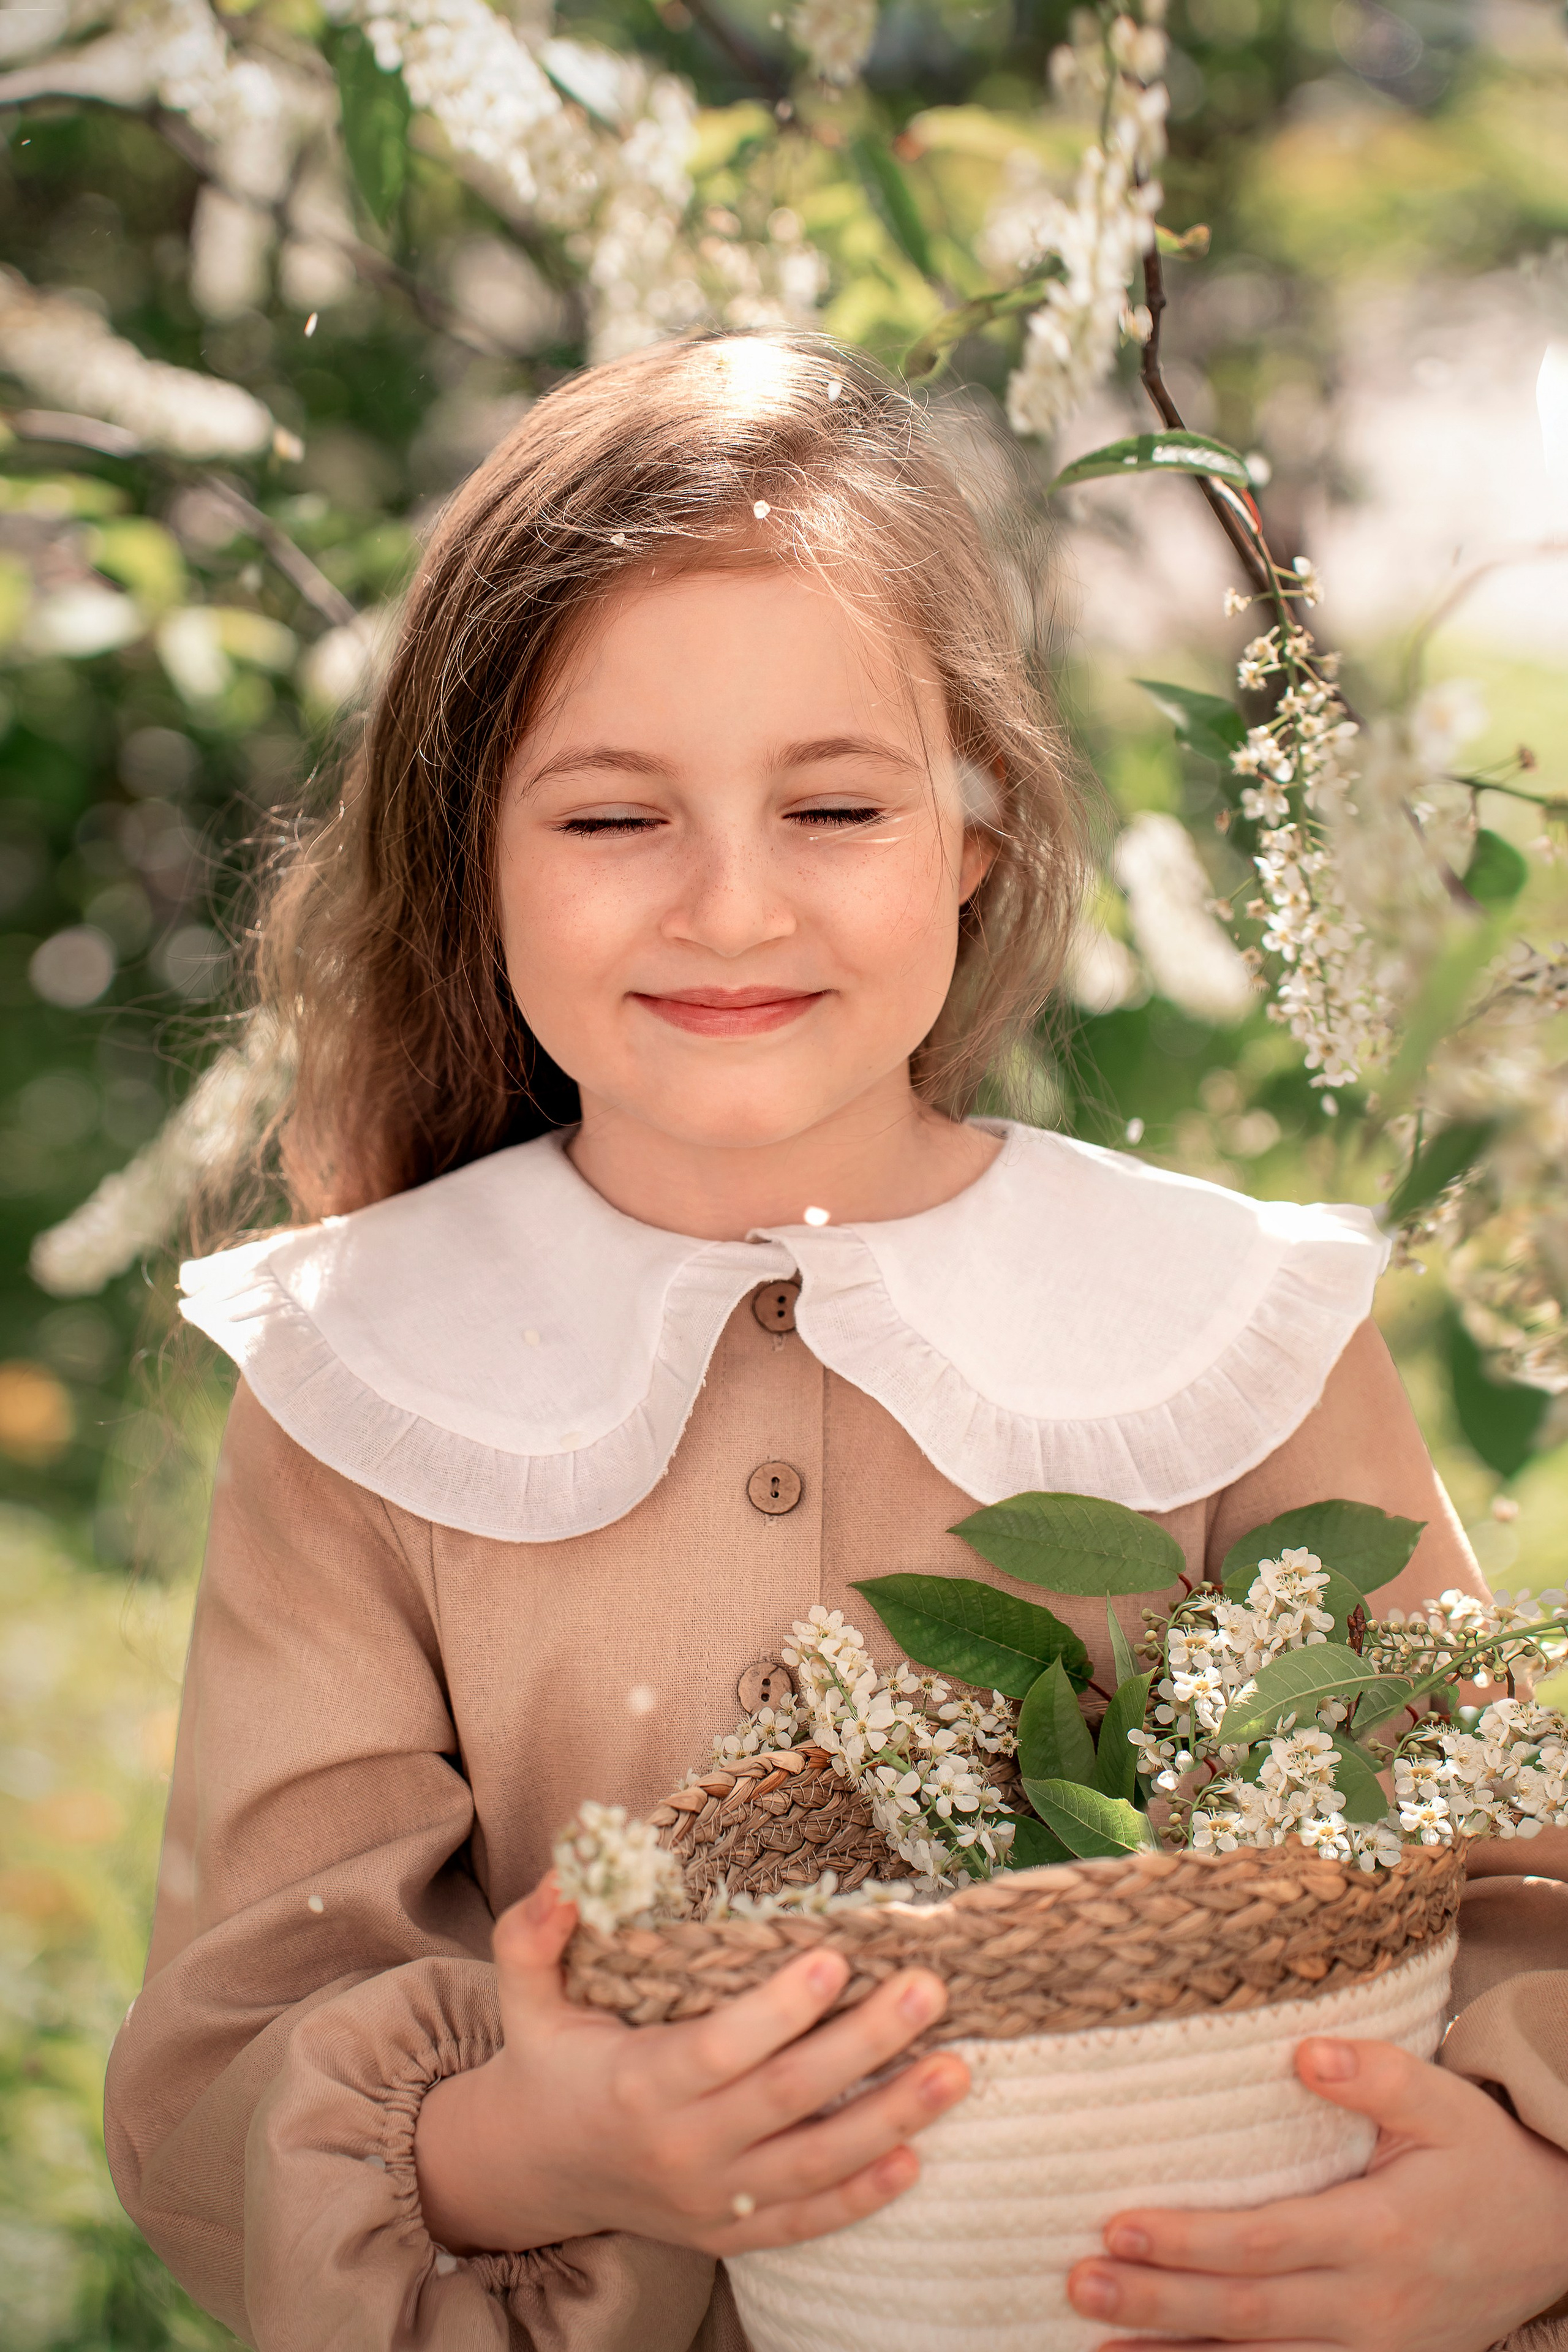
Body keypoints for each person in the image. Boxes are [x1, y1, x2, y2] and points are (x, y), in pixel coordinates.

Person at [104, 331, 1568, 2352]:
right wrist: (549, 2145)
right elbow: (231, 2078)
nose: (730, 908)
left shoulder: (1237, 1328)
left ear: (973, 840)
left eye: (834, 807)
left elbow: (1495, 1867)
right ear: (477, 856)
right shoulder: (366, 1380)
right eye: (614, 820)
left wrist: (1517, 2201)